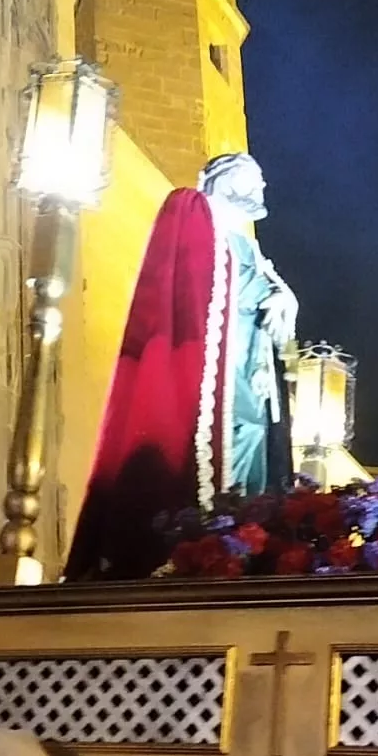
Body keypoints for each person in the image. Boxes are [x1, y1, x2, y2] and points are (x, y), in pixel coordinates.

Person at [65, 153, 298, 582]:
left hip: (249, 374)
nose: (263, 187)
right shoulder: (194, 213)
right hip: (214, 373)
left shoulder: (249, 245)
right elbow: (193, 289)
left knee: (251, 443)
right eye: (253, 177)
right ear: (222, 178)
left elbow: (263, 293)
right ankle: (209, 536)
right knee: (213, 454)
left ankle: (241, 535)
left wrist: (284, 298)